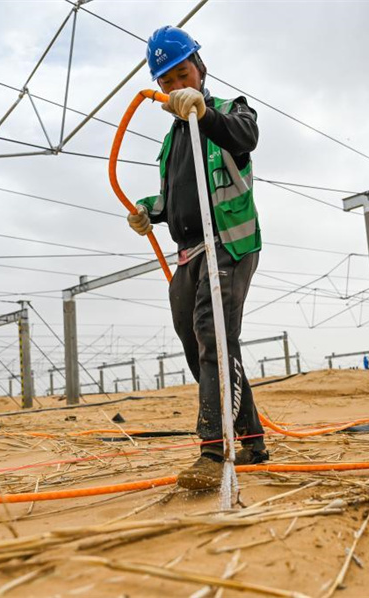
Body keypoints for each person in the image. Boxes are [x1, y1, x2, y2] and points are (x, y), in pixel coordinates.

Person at [127, 25, 267, 490]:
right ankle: (252, 440)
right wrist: (149, 210)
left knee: (214, 335)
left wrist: (203, 112)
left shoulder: (229, 112)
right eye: (165, 81)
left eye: (181, 74)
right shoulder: (170, 142)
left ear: (200, 68)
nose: (174, 87)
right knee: (197, 339)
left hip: (228, 244)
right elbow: (176, 200)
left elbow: (245, 138)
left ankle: (213, 449)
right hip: (189, 252)